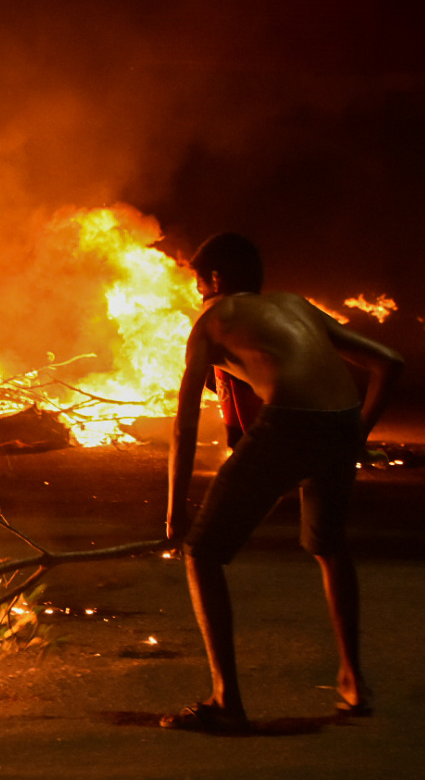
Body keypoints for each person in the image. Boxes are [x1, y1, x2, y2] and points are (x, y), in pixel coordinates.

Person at [162, 233, 404, 732]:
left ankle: (226, 701)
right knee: (329, 546)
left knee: (202, 551)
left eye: (197, 280)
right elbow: (389, 364)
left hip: (289, 422)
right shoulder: (296, 304)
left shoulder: (212, 319)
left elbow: (184, 423)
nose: (197, 291)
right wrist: (355, 434)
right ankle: (354, 683)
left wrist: (174, 511)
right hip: (339, 419)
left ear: (215, 280)